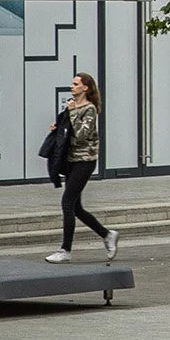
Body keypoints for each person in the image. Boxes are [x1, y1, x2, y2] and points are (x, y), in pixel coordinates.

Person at [44, 72, 117, 263]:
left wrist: (73, 112)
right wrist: (58, 126)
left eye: (76, 84)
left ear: (85, 87)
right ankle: (107, 235)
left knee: (67, 202)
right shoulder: (72, 106)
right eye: (72, 83)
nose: (72, 87)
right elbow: (67, 130)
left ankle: (65, 250)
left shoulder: (89, 109)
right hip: (71, 160)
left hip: (85, 160)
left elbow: (83, 134)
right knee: (76, 207)